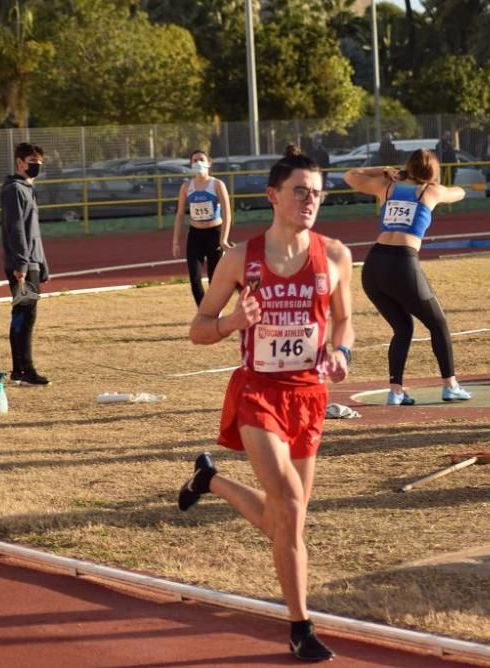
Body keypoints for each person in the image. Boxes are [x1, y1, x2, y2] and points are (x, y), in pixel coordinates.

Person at [178, 145, 353, 662]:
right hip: (258, 393)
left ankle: (209, 481)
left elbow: (344, 320)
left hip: (309, 395)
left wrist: (341, 351)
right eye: (300, 192)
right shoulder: (241, 259)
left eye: (317, 194)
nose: (310, 201)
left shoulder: (337, 255)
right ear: (273, 196)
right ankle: (300, 626)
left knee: (285, 521)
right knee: (292, 504)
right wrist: (234, 321)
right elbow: (198, 329)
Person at [344, 149, 472, 406]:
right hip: (402, 263)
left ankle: (396, 391)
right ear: (433, 171)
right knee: (438, 325)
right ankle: (450, 385)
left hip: (374, 266)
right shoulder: (430, 191)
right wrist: (436, 184)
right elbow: (461, 192)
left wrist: (383, 170)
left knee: (403, 328)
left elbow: (350, 175)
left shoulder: (387, 186)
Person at [1, 142, 50, 386]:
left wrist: (42, 264)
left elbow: (34, 231)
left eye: (39, 162)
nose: (36, 167)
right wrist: (21, 263)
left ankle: (20, 369)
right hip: (22, 262)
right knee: (23, 314)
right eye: (32, 162)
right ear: (19, 163)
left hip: (32, 261)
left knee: (26, 313)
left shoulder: (28, 189)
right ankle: (23, 369)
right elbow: (16, 229)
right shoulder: (14, 190)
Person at [171, 150, 234, 306]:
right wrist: (175, 241)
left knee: (214, 279)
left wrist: (224, 239)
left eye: (201, 159)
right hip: (195, 235)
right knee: (195, 278)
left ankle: (215, 310)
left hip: (214, 233)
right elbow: (180, 214)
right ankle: (203, 312)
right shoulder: (186, 186)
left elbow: (227, 212)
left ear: (208, 163)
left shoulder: (217, 184)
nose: (197, 162)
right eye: (194, 160)